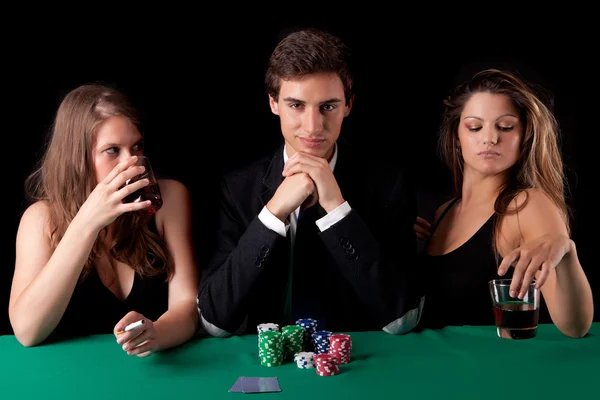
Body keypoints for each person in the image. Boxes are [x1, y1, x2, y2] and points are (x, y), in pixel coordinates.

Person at [197, 27, 421, 336]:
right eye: (296, 105)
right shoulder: (238, 187)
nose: (313, 127)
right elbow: (214, 322)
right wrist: (272, 212)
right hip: (271, 365)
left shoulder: (386, 183)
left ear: (348, 105)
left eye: (328, 106)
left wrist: (336, 209)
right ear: (274, 103)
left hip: (358, 366)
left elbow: (402, 319)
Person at [9, 84, 199, 355]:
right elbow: (27, 331)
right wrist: (87, 222)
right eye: (112, 151)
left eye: (137, 146)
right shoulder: (41, 219)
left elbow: (188, 307)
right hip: (73, 381)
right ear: (79, 159)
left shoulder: (169, 199)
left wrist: (157, 332)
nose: (132, 162)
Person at [414, 68, 593, 337]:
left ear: (524, 137)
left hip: (499, 373)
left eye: (506, 127)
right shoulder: (443, 212)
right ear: (456, 136)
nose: (490, 138)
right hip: (438, 371)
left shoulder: (527, 205)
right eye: (475, 127)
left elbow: (576, 326)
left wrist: (566, 253)